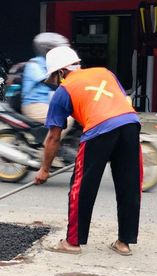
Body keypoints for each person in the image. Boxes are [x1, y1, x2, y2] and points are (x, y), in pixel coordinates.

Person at [34, 46, 142, 256]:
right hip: (130, 125)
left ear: (61, 72)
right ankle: (124, 243)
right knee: (129, 184)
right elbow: (122, 99)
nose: (55, 82)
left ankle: (72, 243)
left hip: (98, 130)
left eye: (55, 77)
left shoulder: (63, 91)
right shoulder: (105, 72)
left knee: (82, 187)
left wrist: (44, 170)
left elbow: (54, 137)